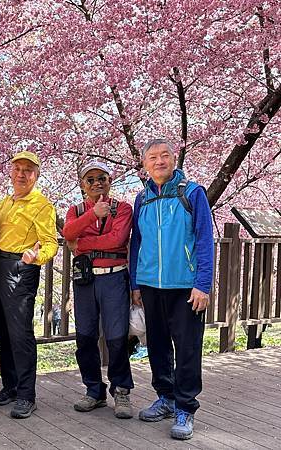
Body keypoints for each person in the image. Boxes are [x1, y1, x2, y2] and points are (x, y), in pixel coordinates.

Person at [129, 139, 214, 440]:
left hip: (185, 286)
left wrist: (202, 284)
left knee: (188, 347)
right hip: (151, 284)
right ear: (145, 165)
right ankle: (165, 397)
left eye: (165, 155)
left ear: (174, 159)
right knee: (158, 345)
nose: (159, 161)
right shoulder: (142, 199)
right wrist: (135, 283)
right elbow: (136, 242)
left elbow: (205, 240)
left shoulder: (192, 193)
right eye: (153, 157)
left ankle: (186, 407)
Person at [62, 160, 134, 419]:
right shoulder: (77, 209)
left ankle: (122, 389)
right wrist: (93, 215)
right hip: (85, 281)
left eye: (101, 178)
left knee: (116, 338)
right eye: (90, 179)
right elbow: (68, 232)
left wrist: (82, 243)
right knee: (85, 337)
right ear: (83, 185)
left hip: (114, 278)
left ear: (110, 180)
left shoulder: (123, 208)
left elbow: (117, 239)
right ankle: (94, 390)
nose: (96, 183)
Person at [0, 150, 58, 419]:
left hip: (21, 268)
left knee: (20, 334)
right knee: (3, 332)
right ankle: (11, 386)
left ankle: (27, 395)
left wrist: (35, 256)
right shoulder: (3, 202)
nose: (21, 174)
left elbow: (51, 243)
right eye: (17, 169)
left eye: (28, 170)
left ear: (36, 175)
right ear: (10, 172)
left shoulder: (42, 205)